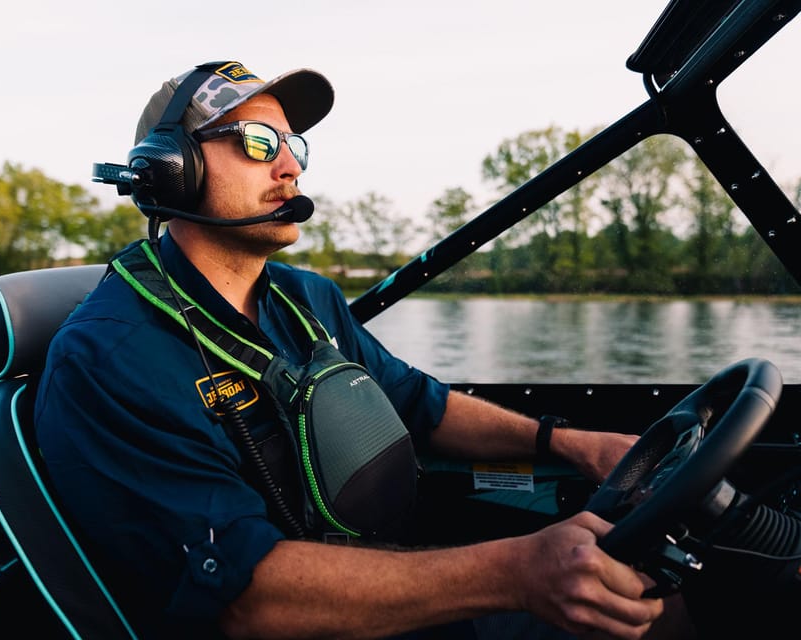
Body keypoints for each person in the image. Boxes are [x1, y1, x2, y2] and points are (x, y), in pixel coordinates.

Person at [34, 61, 691, 639]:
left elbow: (420, 405)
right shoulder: (108, 360)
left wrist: (571, 444)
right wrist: (516, 573)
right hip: (296, 616)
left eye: (294, 146)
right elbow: (245, 597)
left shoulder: (305, 299)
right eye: (259, 142)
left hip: (378, 574)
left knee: (661, 585)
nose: (288, 165)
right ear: (173, 170)